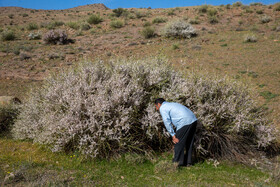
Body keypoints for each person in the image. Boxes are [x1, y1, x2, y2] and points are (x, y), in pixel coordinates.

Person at [155, 98, 197, 167]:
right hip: (193, 120)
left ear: (159, 104)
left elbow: (166, 122)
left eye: (156, 106)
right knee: (189, 142)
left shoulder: (163, 108)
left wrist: (173, 135)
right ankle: (188, 162)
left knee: (178, 142)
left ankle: (177, 163)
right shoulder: (171, 104)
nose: (157, 109)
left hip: (184, 121)